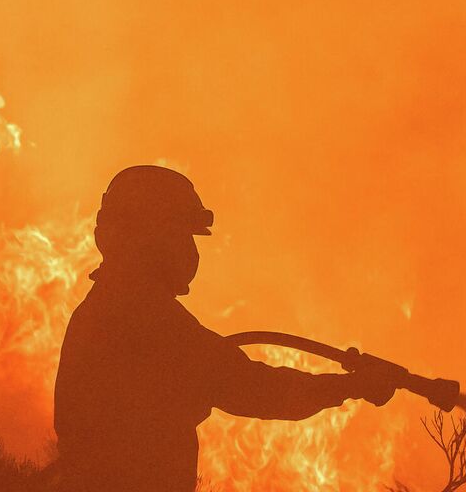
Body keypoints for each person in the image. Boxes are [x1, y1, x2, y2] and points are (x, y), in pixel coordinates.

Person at [54, 165, 396, 491]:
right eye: (181, 235)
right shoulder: (146, 318)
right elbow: (255, 389)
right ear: (152, 236)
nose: (189, 251)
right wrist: (352, 386)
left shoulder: (106, 309)